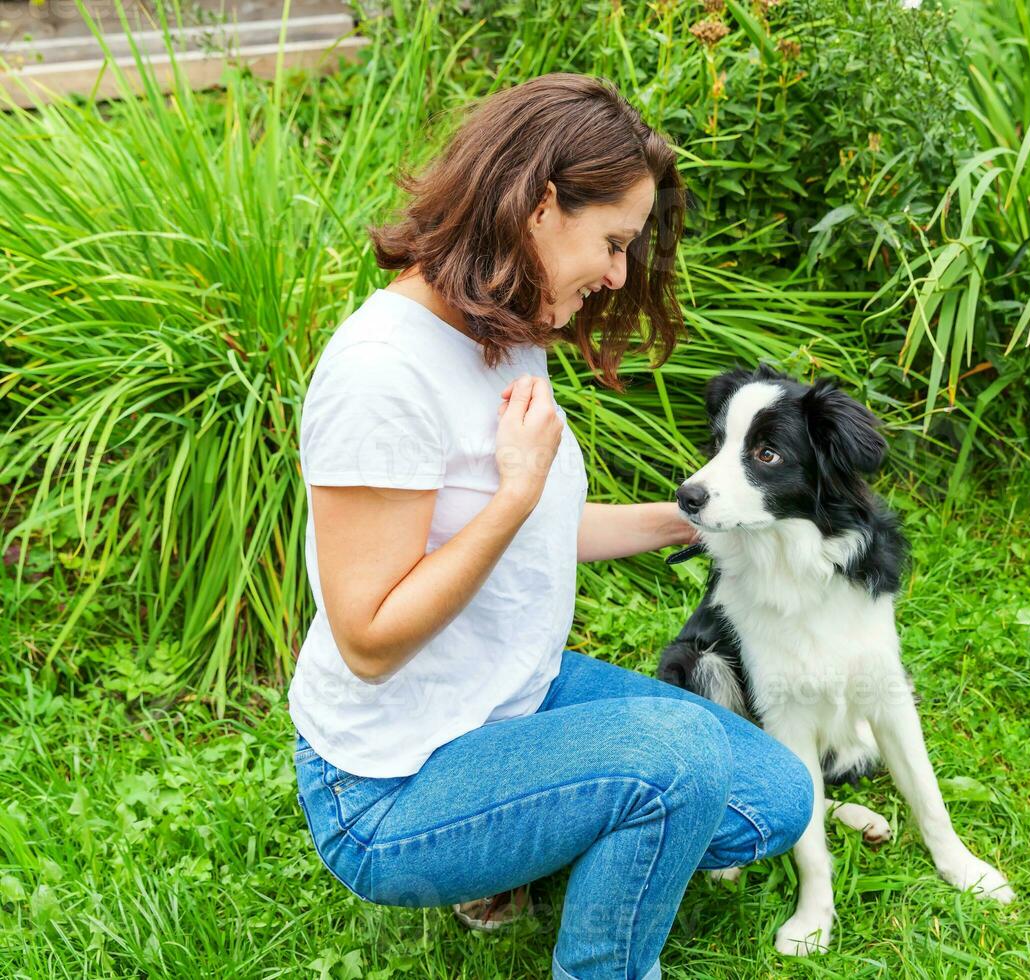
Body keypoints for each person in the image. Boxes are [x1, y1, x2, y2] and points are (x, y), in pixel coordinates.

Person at [287, 73, 814, 980]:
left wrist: (703, 524)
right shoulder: (382, 373)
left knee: (774, 797)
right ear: (540, 207)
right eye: (612, 241)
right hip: (389, 789)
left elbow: (543, 528)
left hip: (506, 703)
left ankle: (532, 837)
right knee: (678, 756)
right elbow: (368, 639)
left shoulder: (499, 321)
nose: (617, 273)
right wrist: (513, 495)